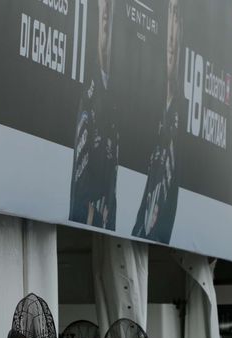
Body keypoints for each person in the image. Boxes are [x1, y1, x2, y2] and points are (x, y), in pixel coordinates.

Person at [131, 0, 182, 243]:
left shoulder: (180, 122)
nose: (171, 37)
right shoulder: (155, 109)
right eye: (169, 14)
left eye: (177, 19)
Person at [68, 0, 119, 230]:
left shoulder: (116, 92)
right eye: (102, 3)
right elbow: (80, 190)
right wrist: (95, 220)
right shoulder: (88, 91)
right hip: (88, 227)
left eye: (111, 3)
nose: (106, 9)